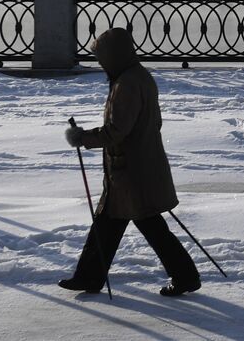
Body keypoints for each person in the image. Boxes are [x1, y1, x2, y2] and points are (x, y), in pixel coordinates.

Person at [58, 27, 202, 298]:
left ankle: (185, 276)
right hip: (135, 166)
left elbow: (116, 131)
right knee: (112, 222)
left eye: (102, 57)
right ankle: (89, 276)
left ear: (114, 56)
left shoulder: (127, 84)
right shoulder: (137, 76)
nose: (100, 63)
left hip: (132, 171)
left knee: (141, 223)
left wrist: (82, 138)